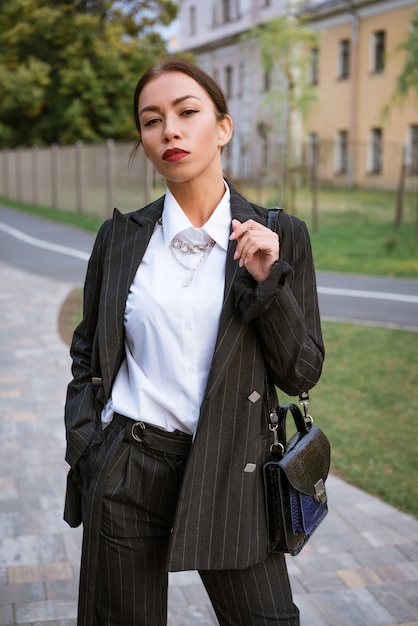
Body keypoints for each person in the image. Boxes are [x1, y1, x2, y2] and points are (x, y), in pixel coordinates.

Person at [63, 56, 325, 626]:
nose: (170, 131)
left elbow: (301, 372)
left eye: (187, 112)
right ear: (143, 138)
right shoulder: (119, 239)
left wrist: (269, 285)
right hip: (127, 469)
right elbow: (88, 352)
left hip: (232, 470)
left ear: (222, 127)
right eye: (151, 120)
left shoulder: (280, 236)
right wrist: (87, 448)